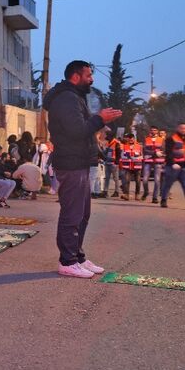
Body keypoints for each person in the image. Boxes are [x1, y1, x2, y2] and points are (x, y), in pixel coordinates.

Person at [43, 60, 121, 279]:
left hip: (79, 163)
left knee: (82, 214)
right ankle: (67, 261)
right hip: (71, 163)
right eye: (88, 75)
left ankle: (77, 256)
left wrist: (98, 121)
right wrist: (99, 119)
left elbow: (81, 129)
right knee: (73, 214)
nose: (92, 79)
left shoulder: (74, 97)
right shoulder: (66, 99)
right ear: (76, 76)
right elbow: (77, 131)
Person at [140, 126, 165, 203]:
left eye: (155, 130)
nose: (153, 131)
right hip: (148, 161)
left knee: (157, 180)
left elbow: (163, 150)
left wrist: (158, 154)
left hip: (158, 162)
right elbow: (144, 150)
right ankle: (146, 192)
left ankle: (155, 197)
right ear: (150, 131)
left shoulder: (161, 140)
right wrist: (154, 153)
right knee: (144, 180)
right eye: (152, 130)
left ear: (157, 131)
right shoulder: (146, 139)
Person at [117, 132, 143, 201]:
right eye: (129, 138)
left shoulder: (139, 146)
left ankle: (137, 195)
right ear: (128, 139)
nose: (131, 139)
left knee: (138, 181)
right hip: (128, 166)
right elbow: (122, 156)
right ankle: (126, 195)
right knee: (127, 181)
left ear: (134, 139)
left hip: (137, 166)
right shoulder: (124, 146)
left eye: (132, 138)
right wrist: (128, 157)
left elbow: (142, 156)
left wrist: (136, 158)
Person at [100, 130, 121, 198]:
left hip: (113, 163)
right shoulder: (108, 142)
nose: (105, 136)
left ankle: (117, 191)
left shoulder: (116, 143)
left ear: (110, 136)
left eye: (107, 135)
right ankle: (105, 191)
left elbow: (119, 153)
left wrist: (117, 162)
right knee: (107, 178)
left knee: (116, 178)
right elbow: (105, 152)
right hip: (107, 162)